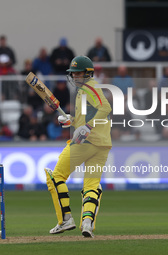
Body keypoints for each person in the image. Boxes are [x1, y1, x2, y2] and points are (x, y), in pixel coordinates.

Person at [45, 56, 112, 238]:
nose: (75, 77)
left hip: (86, 143)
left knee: (56, 176)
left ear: (88, 73)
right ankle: (87, 223)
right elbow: (89, 116)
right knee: (91, 185)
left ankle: (65, 219)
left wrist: (87, 127)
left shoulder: (90, 87)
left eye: (78, 73)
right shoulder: (84, 90)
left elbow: (105, 108)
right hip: (102, 144)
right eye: (73, 74)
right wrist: (72, 121)